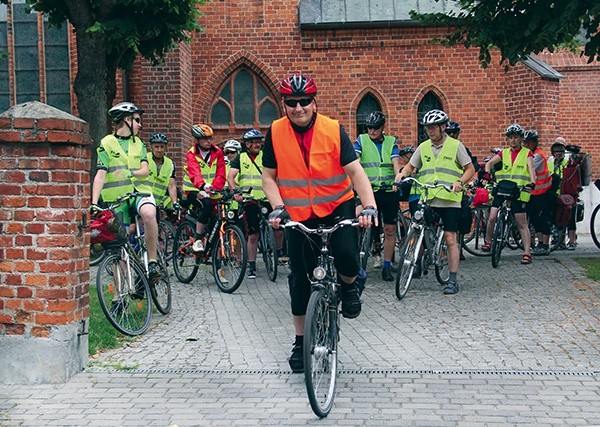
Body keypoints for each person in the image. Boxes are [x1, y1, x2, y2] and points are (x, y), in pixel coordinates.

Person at [262, 74, 377, 373]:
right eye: (291, 102)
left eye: (304, 101)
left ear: (314, 102)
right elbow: (268, 177)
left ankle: (349, 289)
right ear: (284, 104)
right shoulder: (274, 132)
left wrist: (369, 206)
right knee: (300, 280)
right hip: (298, 216)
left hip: (338, 207)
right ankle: (301, 342)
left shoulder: (332, 129)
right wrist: (277, 208)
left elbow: (355, 171)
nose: (298, 108)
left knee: (348, 257)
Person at [395, 109, 476, 295]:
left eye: (433, 127)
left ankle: (453, 279)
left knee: (450, 239)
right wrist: (401, 175)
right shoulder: (423, 147)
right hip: (428, 197)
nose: (430, 131)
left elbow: (470, 168)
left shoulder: (456, 146)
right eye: (427, 128)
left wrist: (460, 182)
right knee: (417, 227)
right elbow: (410, 166)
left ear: (443, 127)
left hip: (449, 200)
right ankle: (416, 261)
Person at [91, 102, 161, 281]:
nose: (140, 124)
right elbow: (100, 174)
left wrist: (131, 173)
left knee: (149, 214)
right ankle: (119, 295)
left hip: (140, 193)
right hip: (118, 199)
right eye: (137, 120)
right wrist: (93, 203)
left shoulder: (140, 144)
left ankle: (152, 261)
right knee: (118, 246)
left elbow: (145, 170)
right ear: (126, 120)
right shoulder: (106, 143)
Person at [228, 129, 284, 278]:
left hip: (267, 199)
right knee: (253, 235)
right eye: (254, 142)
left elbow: (276, 175)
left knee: (278, 229)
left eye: (259, 142)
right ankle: (252, 266)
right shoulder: (240, 158)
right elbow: (231, 177)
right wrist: (236, 193)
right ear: (247, 144)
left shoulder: (266, 156)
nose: (258, 144)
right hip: (249, 201)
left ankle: (277, 253)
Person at [354, 111, 402, 281]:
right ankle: (360, 258)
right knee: (360, 221)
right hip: (369, 191)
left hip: (389, 191)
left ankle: (387, 266)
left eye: (375, 128)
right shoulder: (361, 140)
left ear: (382, 128)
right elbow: (356, 161)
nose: (372, 131)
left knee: (390, 229)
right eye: (369, 128)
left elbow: (396, 162)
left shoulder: (391, 142)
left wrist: (398, 178)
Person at [482, 124, 536, 264]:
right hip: (502, 189)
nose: (513, 140)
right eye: (510, 138)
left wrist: (532, 183)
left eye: (516, 137)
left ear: (521, 139)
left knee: (521, 223)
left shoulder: (527, 153)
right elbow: (489, 163)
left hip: (518, 191)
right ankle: (488, 242)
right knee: (492, 217)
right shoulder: (503, 153)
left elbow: (531, 170)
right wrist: (487, 174)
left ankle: (527, 252)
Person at [182, 124, 227, 252]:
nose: (209, 141)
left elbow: (221, 173)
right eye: (205, 139)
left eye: (210, 138)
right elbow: (194, 172)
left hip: (211, 189)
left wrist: (214, 187)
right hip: (194, 189)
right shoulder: (191, 154)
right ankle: (197, 238)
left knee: (216, 217)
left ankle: (212, 251)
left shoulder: (218, 152)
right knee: (206, 205)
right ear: (197, 140)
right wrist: (202, 186)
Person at [523, 129, 553, 255]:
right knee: (535, 219)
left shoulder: (538, 155)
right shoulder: (530, 154)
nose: (526, 145)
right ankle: (540, 243)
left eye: (529, 143)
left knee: (543, 218)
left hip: (543, 192)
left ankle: (545, 244)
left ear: (535, 142)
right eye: (525, 142)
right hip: (534, 193)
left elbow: (527, 168)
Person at [548, 139, 577, 249]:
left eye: (561, 151)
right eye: (556, 151)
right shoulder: (549, 164)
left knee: (570, 217)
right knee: (557, 217)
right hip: (555, 194)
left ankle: (572, 241)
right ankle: (559, 240)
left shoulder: (568, 163)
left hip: (568, 194)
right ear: (553, 153)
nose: (559, 154)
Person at [147, 132, 178, 211]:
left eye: (162, 147)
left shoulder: (170, 164)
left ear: (166, 148)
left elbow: (171, 186)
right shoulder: (144, 159)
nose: (159, 150)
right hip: (144, 200)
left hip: (158, 203)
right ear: (151, 147)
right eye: (156, 147)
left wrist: (175, 203)